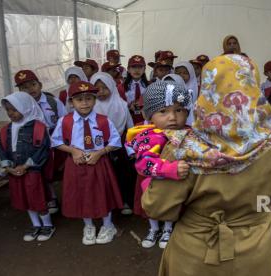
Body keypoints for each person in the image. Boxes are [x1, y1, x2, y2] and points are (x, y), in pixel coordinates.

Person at [141, 54, 271, 275]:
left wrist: (147, 184)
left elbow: (158, 207)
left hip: (196, 256)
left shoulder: (183, 147)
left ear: (207, 89)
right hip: (258, 252)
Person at [51, 81, 123, 245]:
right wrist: (73, 151)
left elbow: (116, 141)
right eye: (79, 99)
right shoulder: (65, 121)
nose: (84, 103)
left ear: (95, 100)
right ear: (71, 102)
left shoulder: (103, 121)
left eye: (89, 98)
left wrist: (100, 152)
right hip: (76, 164)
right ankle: (88, 225)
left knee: (103, 192)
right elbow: (55, 141)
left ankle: (107, 225)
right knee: (81, 194)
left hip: (99, 163)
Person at [125, 81, 191, 249]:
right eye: (163, 111)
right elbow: (143, 164)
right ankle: (154, 229)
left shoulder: (189, 132)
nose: (172, 117)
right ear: (150, 115)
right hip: (154, 182)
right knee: (153, 207)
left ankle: (168, 229)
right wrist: (170, 169)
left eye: (179, 110)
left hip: (178, 184)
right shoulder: (149, 136)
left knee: (172, 204)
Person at [0, 92, 55, 242]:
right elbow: (3, 150)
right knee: (24, 199)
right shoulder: (6, 130)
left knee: (38, 198)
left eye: (14, 109)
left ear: (26, 108)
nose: (11, 113)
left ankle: (48, 225)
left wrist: (26, 165)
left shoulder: (38, 127)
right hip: (15, 172)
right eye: (8, 110)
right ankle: (36, 224)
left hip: (33, 172)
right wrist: (8, 167)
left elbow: (43, 149)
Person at [14, 69, 67, 213]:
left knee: (59, 171)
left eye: (33, 84)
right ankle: (51, 198)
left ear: (40, 85)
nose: (30, 89)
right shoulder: (19, 107)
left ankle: (68, 197)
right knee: (41, 172)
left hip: (54, 141)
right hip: (34, 145)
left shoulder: (53, 102)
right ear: (19, 91)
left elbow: (64, 120)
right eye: (24, 87)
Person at [91, 72, 135, 216]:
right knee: (103, 176)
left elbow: (130, 126)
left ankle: (124, 201)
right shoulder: (91, 107)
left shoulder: (121, 105)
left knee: (122, 174)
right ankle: (107, 202)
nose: (101, 92)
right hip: (97, 147)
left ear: (111, 87)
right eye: (97, 89)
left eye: (105, 88)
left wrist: (132, 145)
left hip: (119, 146)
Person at [118, 55, 150, 124]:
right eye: (133, 67)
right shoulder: (121, 87)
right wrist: (129, 107)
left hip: (145, 120)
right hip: (128, 120)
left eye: (140, 67)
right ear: (128, 69)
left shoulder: (150, 86)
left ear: (144, 69)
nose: (136, 70)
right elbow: (118, 106)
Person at [174, 62, 199, 126]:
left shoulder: (197, 88)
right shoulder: (172, 87)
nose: (181, 75)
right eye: (179, 73)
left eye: (185, 73)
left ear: (191, 74)